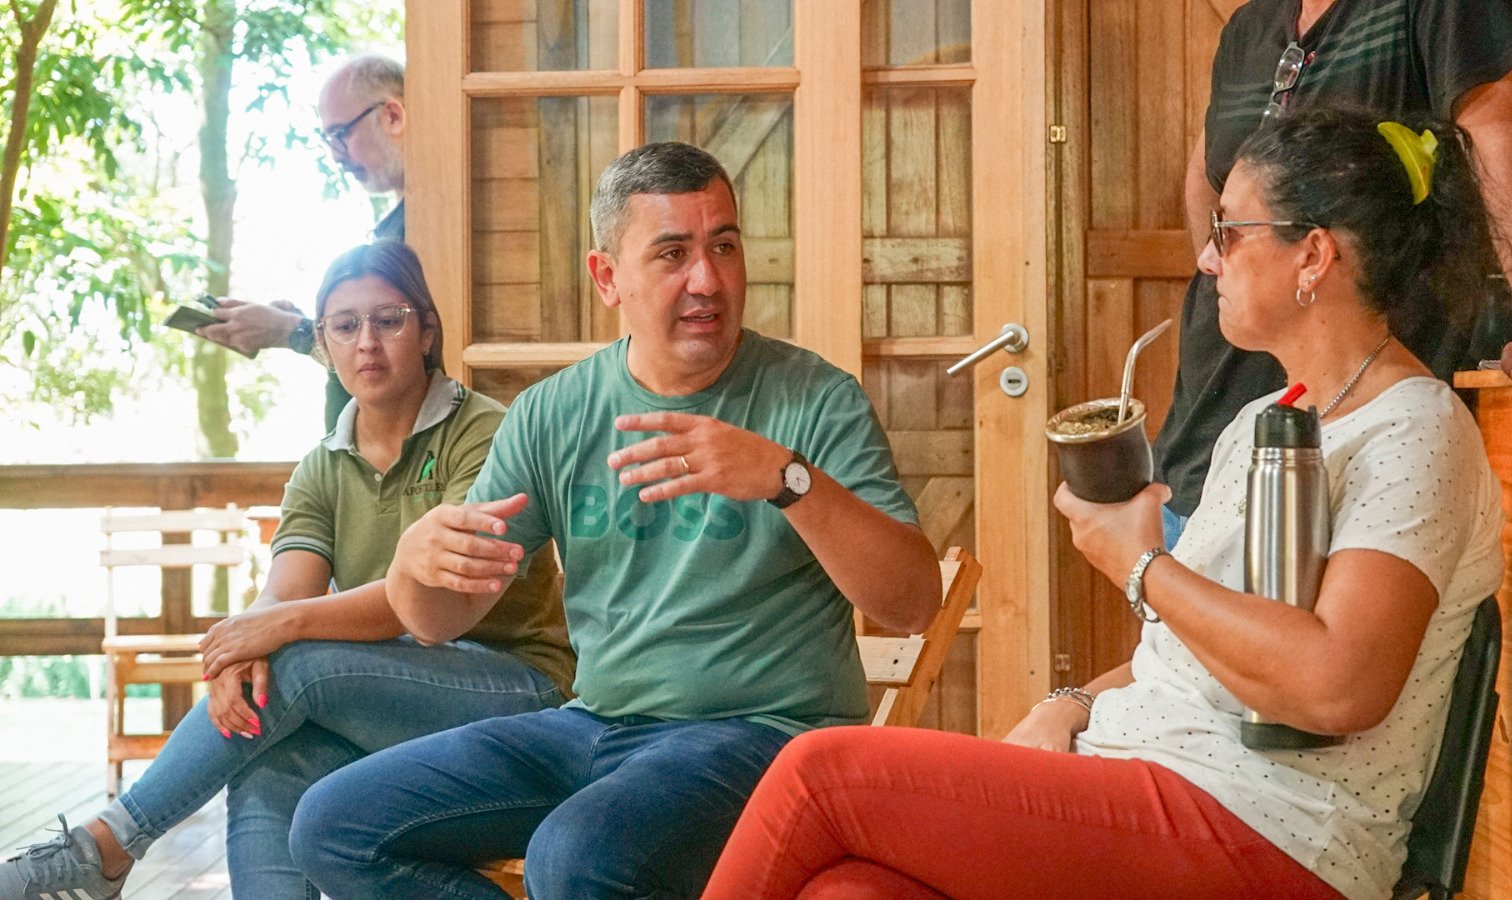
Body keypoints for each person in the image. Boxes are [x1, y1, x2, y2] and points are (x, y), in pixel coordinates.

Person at [702, 108, 1505, 900]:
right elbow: (1190, 656)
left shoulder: (1414, 429)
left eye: (1228, 232)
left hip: (1279, 829)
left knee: (818, 775)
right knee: (850, 892)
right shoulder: (1267, 419)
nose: (1207, 258)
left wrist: (1142, 565)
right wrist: (1075, 702)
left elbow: (1339, 686)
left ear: (1314, 255)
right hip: (1157, 776)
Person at [284, 142, 943, 899]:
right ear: (607, 278)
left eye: (724, 247)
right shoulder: (552, 412)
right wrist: (412, 565)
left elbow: (913, 602)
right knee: (333, 824)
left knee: (576, 856)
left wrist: (786, 480)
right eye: (673, 254)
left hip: (767, 735)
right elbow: (440, 620)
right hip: (593, 725)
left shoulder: (817, 399)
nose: (708, 280)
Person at [0, 240, 573, 900]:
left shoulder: (484, 432)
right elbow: (284, 594)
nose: (366, 343)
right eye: (345, 325)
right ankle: (107, 853)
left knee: (296, 664)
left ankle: (107, 846)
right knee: (267, 754)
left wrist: (276, 631)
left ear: (426, 331)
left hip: (519, 688)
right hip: (391, 693)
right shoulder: (321, 468)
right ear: (324, 342)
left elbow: (427, 600)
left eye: (387, 321)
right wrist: (240, 656)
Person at [1154, 0, 1512, 548]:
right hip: (1208, 435)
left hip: (1356, 450)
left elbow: (1498, 136)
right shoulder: (1249, 27)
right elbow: (1206, 176)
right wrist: (1231, 262)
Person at [196, 53, 409, 431]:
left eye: (341, 134)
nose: (336, 156)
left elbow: (405, 363)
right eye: (328, 139)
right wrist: (310, 326)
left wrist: (292, 331)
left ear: (392, 116)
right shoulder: (397, 222)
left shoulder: (427, 227)